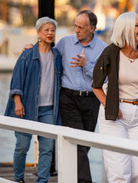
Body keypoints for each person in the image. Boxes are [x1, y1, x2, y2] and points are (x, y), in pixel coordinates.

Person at [92, 12, 138, 183]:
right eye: (137, 25)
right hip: (115, 115)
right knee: (120, 173)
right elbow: (96, 85)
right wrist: (109, 105)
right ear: (126, 28)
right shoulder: (111, 52)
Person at [4, 17, 62, 183]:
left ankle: (42, 180)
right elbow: (16, 81)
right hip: (27, 108)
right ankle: (18, 179)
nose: (50, 33)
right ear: (38, 33)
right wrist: (17, 102)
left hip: (49, 109)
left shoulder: (57, 55)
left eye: (52, 30)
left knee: (47, 148)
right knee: (22, 147)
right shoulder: (27, 55)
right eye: (46, 30)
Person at [55, 10, 107, 182]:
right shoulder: (64, 43)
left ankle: (70, 175)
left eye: (81, 27)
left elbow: (102, 77)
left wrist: (86, 65)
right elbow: (47, 55)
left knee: (85, 143)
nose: (77, 30)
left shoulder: (103, 49)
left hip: (92, 100)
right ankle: (85, 181)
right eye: (75, 26)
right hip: (68, 99)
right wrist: (30, 49)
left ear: (92, 28)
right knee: (77, 140)